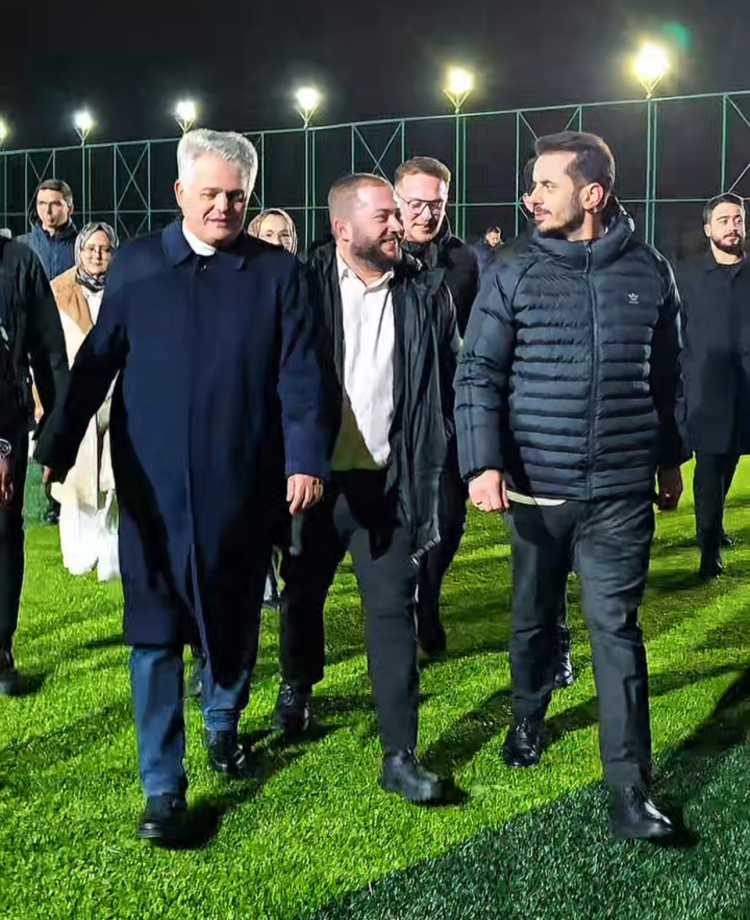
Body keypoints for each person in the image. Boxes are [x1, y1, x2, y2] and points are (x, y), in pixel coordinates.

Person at [37, 129, 330, 845]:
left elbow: (302, 375)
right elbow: (98, 361)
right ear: (179, 193)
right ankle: (162, 787)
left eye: (236, 196)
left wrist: (305, 460)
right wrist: (58, 445)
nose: (223, 207)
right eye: (210, 195)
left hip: (244, 488)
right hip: (152, 491)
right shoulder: (138, 266)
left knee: (232, 622)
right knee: (155, 635)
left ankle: (223, 719)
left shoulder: (280, 275)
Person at [455, 131, 686, 840]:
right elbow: (477, 373)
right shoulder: (511, 271)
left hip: (620, 490)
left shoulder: (649, 270)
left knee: (616, 630)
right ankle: (529, 713)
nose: (531, 196)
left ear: (592, 194)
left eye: (545, 185)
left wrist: (669, 458)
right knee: (533, 618)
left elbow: (667, 375)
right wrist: (482, 463)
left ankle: (630, 789)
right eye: (532, 185)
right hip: (537, 489)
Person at [273, 173, 458, 803]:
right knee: (303, 595)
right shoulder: (302, 286)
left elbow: (452, 376)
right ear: (342, 228)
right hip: (316, 484)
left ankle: (400, 754)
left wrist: (440, 444)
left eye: (396, 215)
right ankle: (298, 682)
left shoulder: (426, 291)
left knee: (392, 611)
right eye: (384, 216)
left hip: (391, 485)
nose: (398, 226)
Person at [394, 156, 479, 661]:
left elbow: (473, 338)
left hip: (447, 414)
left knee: (449, 519)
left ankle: (428, 598)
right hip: (387, 417)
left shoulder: (463, 260)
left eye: (437, 204)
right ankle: (404, 610)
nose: (427, 214)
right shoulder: (374, 252)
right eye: (417, 204)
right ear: (396, 200)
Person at [0, 232, 69, 694]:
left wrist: (56, 433)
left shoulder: (20, 261)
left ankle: (0, 649)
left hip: (4, 422)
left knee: (3, 530)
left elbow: (48, 351)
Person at [677, 193, 750, 579]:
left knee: (732, 459)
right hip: (706, 390)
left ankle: (715, 527)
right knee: (708, 470)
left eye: (738, 219)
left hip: (746, 391)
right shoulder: (688, 278)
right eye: (723, 220)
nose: (732, 227)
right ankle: (708, 550)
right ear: (708, 229)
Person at [49, 222, 120, 581]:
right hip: (73, 399)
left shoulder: (125, 289)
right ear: (80, 251)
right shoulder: (58, 290)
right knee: (76, 481)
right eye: (91, 248)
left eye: (105, 249)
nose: (97, 255)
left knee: (112, 477)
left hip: (117, 396)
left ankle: (108, 554)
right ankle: (78, 554)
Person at [19, 179, 77, 280]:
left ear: (70, 208)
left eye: (55, 204)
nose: (47, 210)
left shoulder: (83, 246)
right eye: (42, 203)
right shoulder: (21, 245)